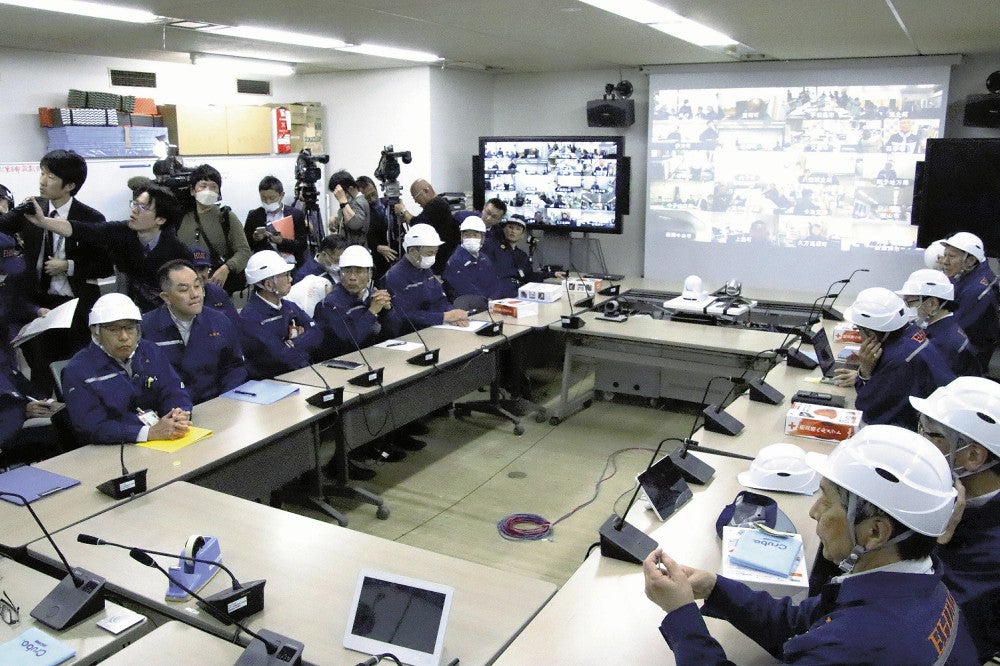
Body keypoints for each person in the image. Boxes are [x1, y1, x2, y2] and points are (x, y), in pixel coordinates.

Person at [642, 425, 976, 665]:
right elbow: (802, 624)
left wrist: (682, 615)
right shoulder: (919, 584)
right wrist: (715, 588)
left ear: (875, 533)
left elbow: (825, 642)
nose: (814, 512)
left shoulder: (856, 643)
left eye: (827, 500)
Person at [0, 150, 113, 394]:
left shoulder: (91, 218)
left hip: (76, 306)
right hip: (39, 305)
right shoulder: (31, 208)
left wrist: (69, 266)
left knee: (76, 368)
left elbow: (105, 267)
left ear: (70, 185)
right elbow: (4, 224)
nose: (42, 181)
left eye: (50, 177)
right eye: (42, 173)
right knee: (41, 369)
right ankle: (47, 417)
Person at [910, 377, 1000, 663]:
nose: (918, 441)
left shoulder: (992, 553)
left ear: (973, 455)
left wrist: (934, 543)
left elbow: (928, 622)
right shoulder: (953, 496)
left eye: (930, 433)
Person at [24, 182, 192, 312]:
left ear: (160, 219)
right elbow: (84, 230)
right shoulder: (123, 231)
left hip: (164, 311)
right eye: (134, 203)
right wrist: (44, 222)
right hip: (129, 305)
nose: (134, 210)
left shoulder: (178, 252)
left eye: (143, 207)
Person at [62, 293, 192, 445]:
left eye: (130, 328)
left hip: (163, 437)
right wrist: (148, 433)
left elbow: (173, 389)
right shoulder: (78, 370)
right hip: (114, 449)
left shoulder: (150, 351)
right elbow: (92, 427)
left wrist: (178, 414)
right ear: (95, 331)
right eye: (113, 330)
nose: (124, 337)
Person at [832, 287, 954, 429]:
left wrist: (865, 373)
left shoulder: (899, 361)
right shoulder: (911, 332)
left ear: (870, 333)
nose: (859, 334)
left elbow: (868, 410)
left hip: (926, 429)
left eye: (859, 328)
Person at [142, 260, 246, 404]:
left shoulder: (219, 321)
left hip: (217, 403)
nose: (194, 294)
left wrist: (225, 401)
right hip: (170, 412)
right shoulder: (145, 328)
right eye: (183, 289)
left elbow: (234, 367)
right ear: (166, 297)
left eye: (197, 286)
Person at [238, 250, 320, 380]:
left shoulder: (289, 306)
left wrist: (293, 343)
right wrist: (302, 340)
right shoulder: (249, 319)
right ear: (269, 284)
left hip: (301, 374)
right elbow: (281, 357)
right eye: (286, 275)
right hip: (271, 385)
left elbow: (317, 333)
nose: (291, 279)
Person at [177, 164, 252, 293]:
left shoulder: (227, 217)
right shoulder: (180, 219)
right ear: (192, 190)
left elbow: (244, 251)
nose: (208, 190)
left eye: (213, 187)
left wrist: (226, 268)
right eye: (203, 186)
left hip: (218, 286)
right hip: (186, 286)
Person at [896, 268, 982, 377]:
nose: (906, 307)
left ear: (933, 304)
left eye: (909, 302)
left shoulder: (940, 342)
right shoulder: (947, 327)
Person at [383, 224, 469, 331]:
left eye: (435, 253)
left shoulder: (425, 269)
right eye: (429, 253)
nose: (433, 257)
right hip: (410, 334)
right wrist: (444, 317)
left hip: (434, 327)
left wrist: (454, 314)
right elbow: (405, 315)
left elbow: (439, 300)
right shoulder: (395, 276)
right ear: (413, 251)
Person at [938, 232, 999, 368]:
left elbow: (954, 328)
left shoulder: (977, 291)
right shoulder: (967, 274)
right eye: (945, 255)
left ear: (970, 260)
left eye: (951, 256)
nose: (944, 261)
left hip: (970, 357)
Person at [484, 215, 563, 298]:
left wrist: (552, 274)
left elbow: (530, 276)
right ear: (504, 229)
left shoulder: (522, 255)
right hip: (500, 294)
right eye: (510, 227)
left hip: (520, 294)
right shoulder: (493, 248)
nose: (513, 231)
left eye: (518, 229)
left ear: (522, 234)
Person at [393, 179, 460, 275]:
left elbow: (418, 225)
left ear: (426, 191)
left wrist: (403, 210)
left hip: (442, 262)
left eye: (415, 197)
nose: (416, 202)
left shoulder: (436, 204)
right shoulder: (437, 204)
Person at [243, 175, 307, 269]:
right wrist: (255, 239)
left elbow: (302, 245)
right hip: (265, 266)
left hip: (291, 265)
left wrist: (282, 241)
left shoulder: (296, 215)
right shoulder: (254, 216)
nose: (268, 202)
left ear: (281, 195)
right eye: (263, 198)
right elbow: (245, 246)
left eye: (272, 198)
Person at [443, 216, 503, 301]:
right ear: (461, 237)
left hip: (491, 304)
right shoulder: (455, 261)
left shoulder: (484, 258)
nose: (471, 238)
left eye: (475, 235)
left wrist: (493, 298)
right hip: (470, 307)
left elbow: (495, 283)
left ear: (483, 238)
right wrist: (487, 302)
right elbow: (466, 290)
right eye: (467, 235)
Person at [358, 175, 396, 282]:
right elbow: (364, 234)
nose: (372, 199)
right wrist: (377, 247)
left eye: (373, 194)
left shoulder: (391, 202)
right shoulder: (363, 211)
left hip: (397, 250)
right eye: (367, 198)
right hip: (378, 257)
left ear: (375, 187)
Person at [188, 246, 240, 326]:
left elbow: (235, 324)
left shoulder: (217, 292)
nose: (198, 275)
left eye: (202, 269)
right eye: (193, 270)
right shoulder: (180, 298)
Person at [327, 170, 370, 247]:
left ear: (350, 188)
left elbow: (355, 223)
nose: (338, 197)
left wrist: (343, 201)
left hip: (357, 251)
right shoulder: (350, 202)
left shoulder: (359, 202)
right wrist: (335, 220)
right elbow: (344, 219)